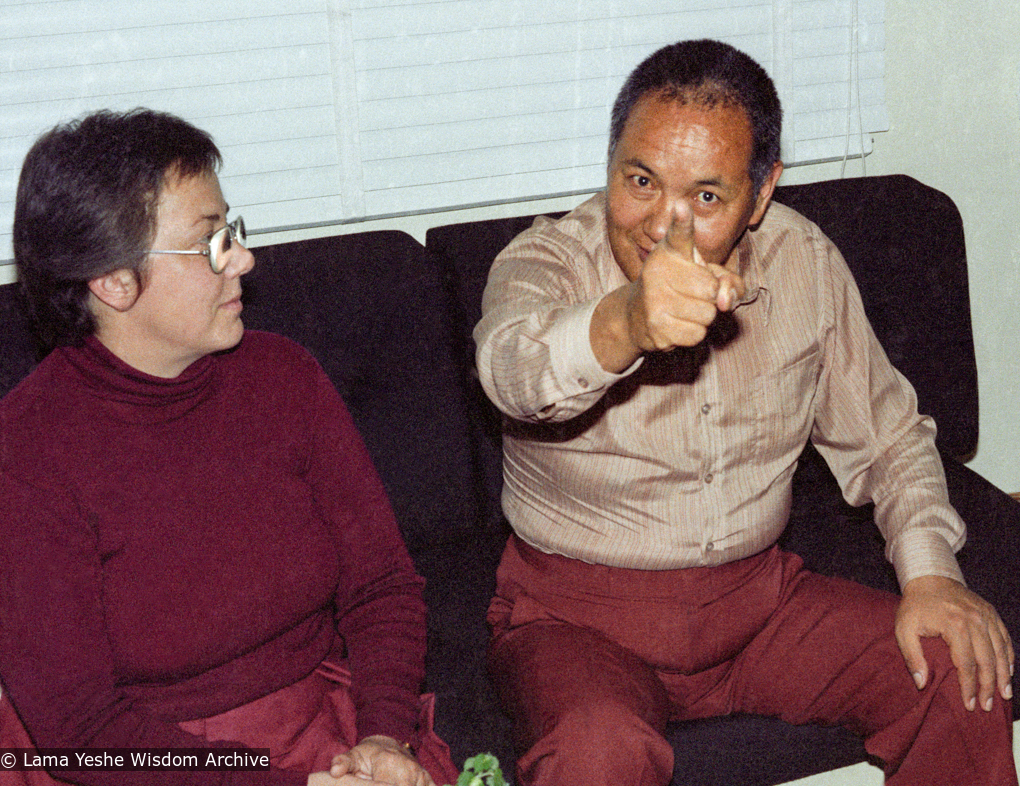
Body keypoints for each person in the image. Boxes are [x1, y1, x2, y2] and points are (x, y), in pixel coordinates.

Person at [474, 39, 1017, 786]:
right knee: (598, 746)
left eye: (705, 197)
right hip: (573, 622)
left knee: (960, 670)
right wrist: (626, 322)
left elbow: (889, 437)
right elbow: (513, 370)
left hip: (759, 608)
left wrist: (930, 576)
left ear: (761, 194)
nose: (662, 227)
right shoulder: (544, 262)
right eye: (639, 180)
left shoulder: (804, 261)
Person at [0, 109, 459, 786]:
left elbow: (382, 586)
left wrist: (385, 738)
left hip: (321, 731)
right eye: (210, 243)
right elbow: (78, 724)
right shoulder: (28, 449)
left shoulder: (284, 376)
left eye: (232, 231)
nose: (244, 259)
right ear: (113, 281)